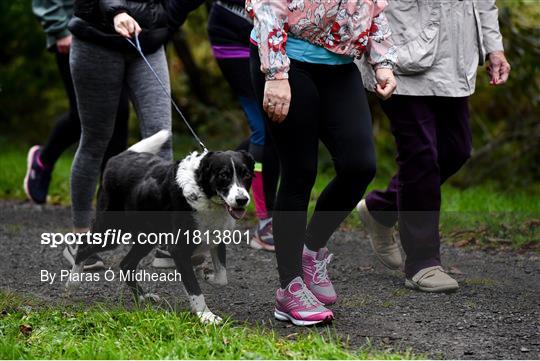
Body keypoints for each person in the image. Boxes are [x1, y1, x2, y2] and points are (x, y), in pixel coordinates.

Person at [249, 0, 397, 325]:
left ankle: (310, 251)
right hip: (287, 61)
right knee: (299, 172)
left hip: (341, 67)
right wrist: (275, 73)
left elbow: (374, 8)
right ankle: (288, 289)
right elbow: (266, 6)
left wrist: (382, 62)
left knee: (360, 165)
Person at [357, 1, 511, 292]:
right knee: (421, 155)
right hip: (401, 51)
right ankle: (423, 263)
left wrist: (494, 47)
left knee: (456, 149)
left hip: (456, 55)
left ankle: (381, 208)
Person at [67, 0, 197, 246]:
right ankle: (81, 237)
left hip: (147, 40)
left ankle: (167, 241)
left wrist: (164, 18)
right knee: (96, 141)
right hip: (97, 38)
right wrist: (117, 11)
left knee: (162, 136)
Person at [29, 0, 130, 271]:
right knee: (83, 120)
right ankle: (42, 161)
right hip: (72, 28)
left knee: (117, 120)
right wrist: (58, 28)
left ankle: (103, 223)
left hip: (110, 34)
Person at [207, 0, 279, 251]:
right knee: (265, 130)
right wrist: (162, 23)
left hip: (275, 39)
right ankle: (264, 222)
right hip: (234, 36)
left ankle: (219, 175)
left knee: (274, 130)